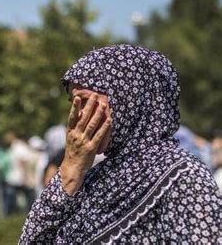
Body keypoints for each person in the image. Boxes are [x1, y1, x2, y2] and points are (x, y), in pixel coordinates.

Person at [20, 44, 221, 243]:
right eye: (73, 103)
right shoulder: (95, 177)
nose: (77, 115)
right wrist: (70, 169)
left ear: (127, 101)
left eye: (85, 101)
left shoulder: (183, 177)